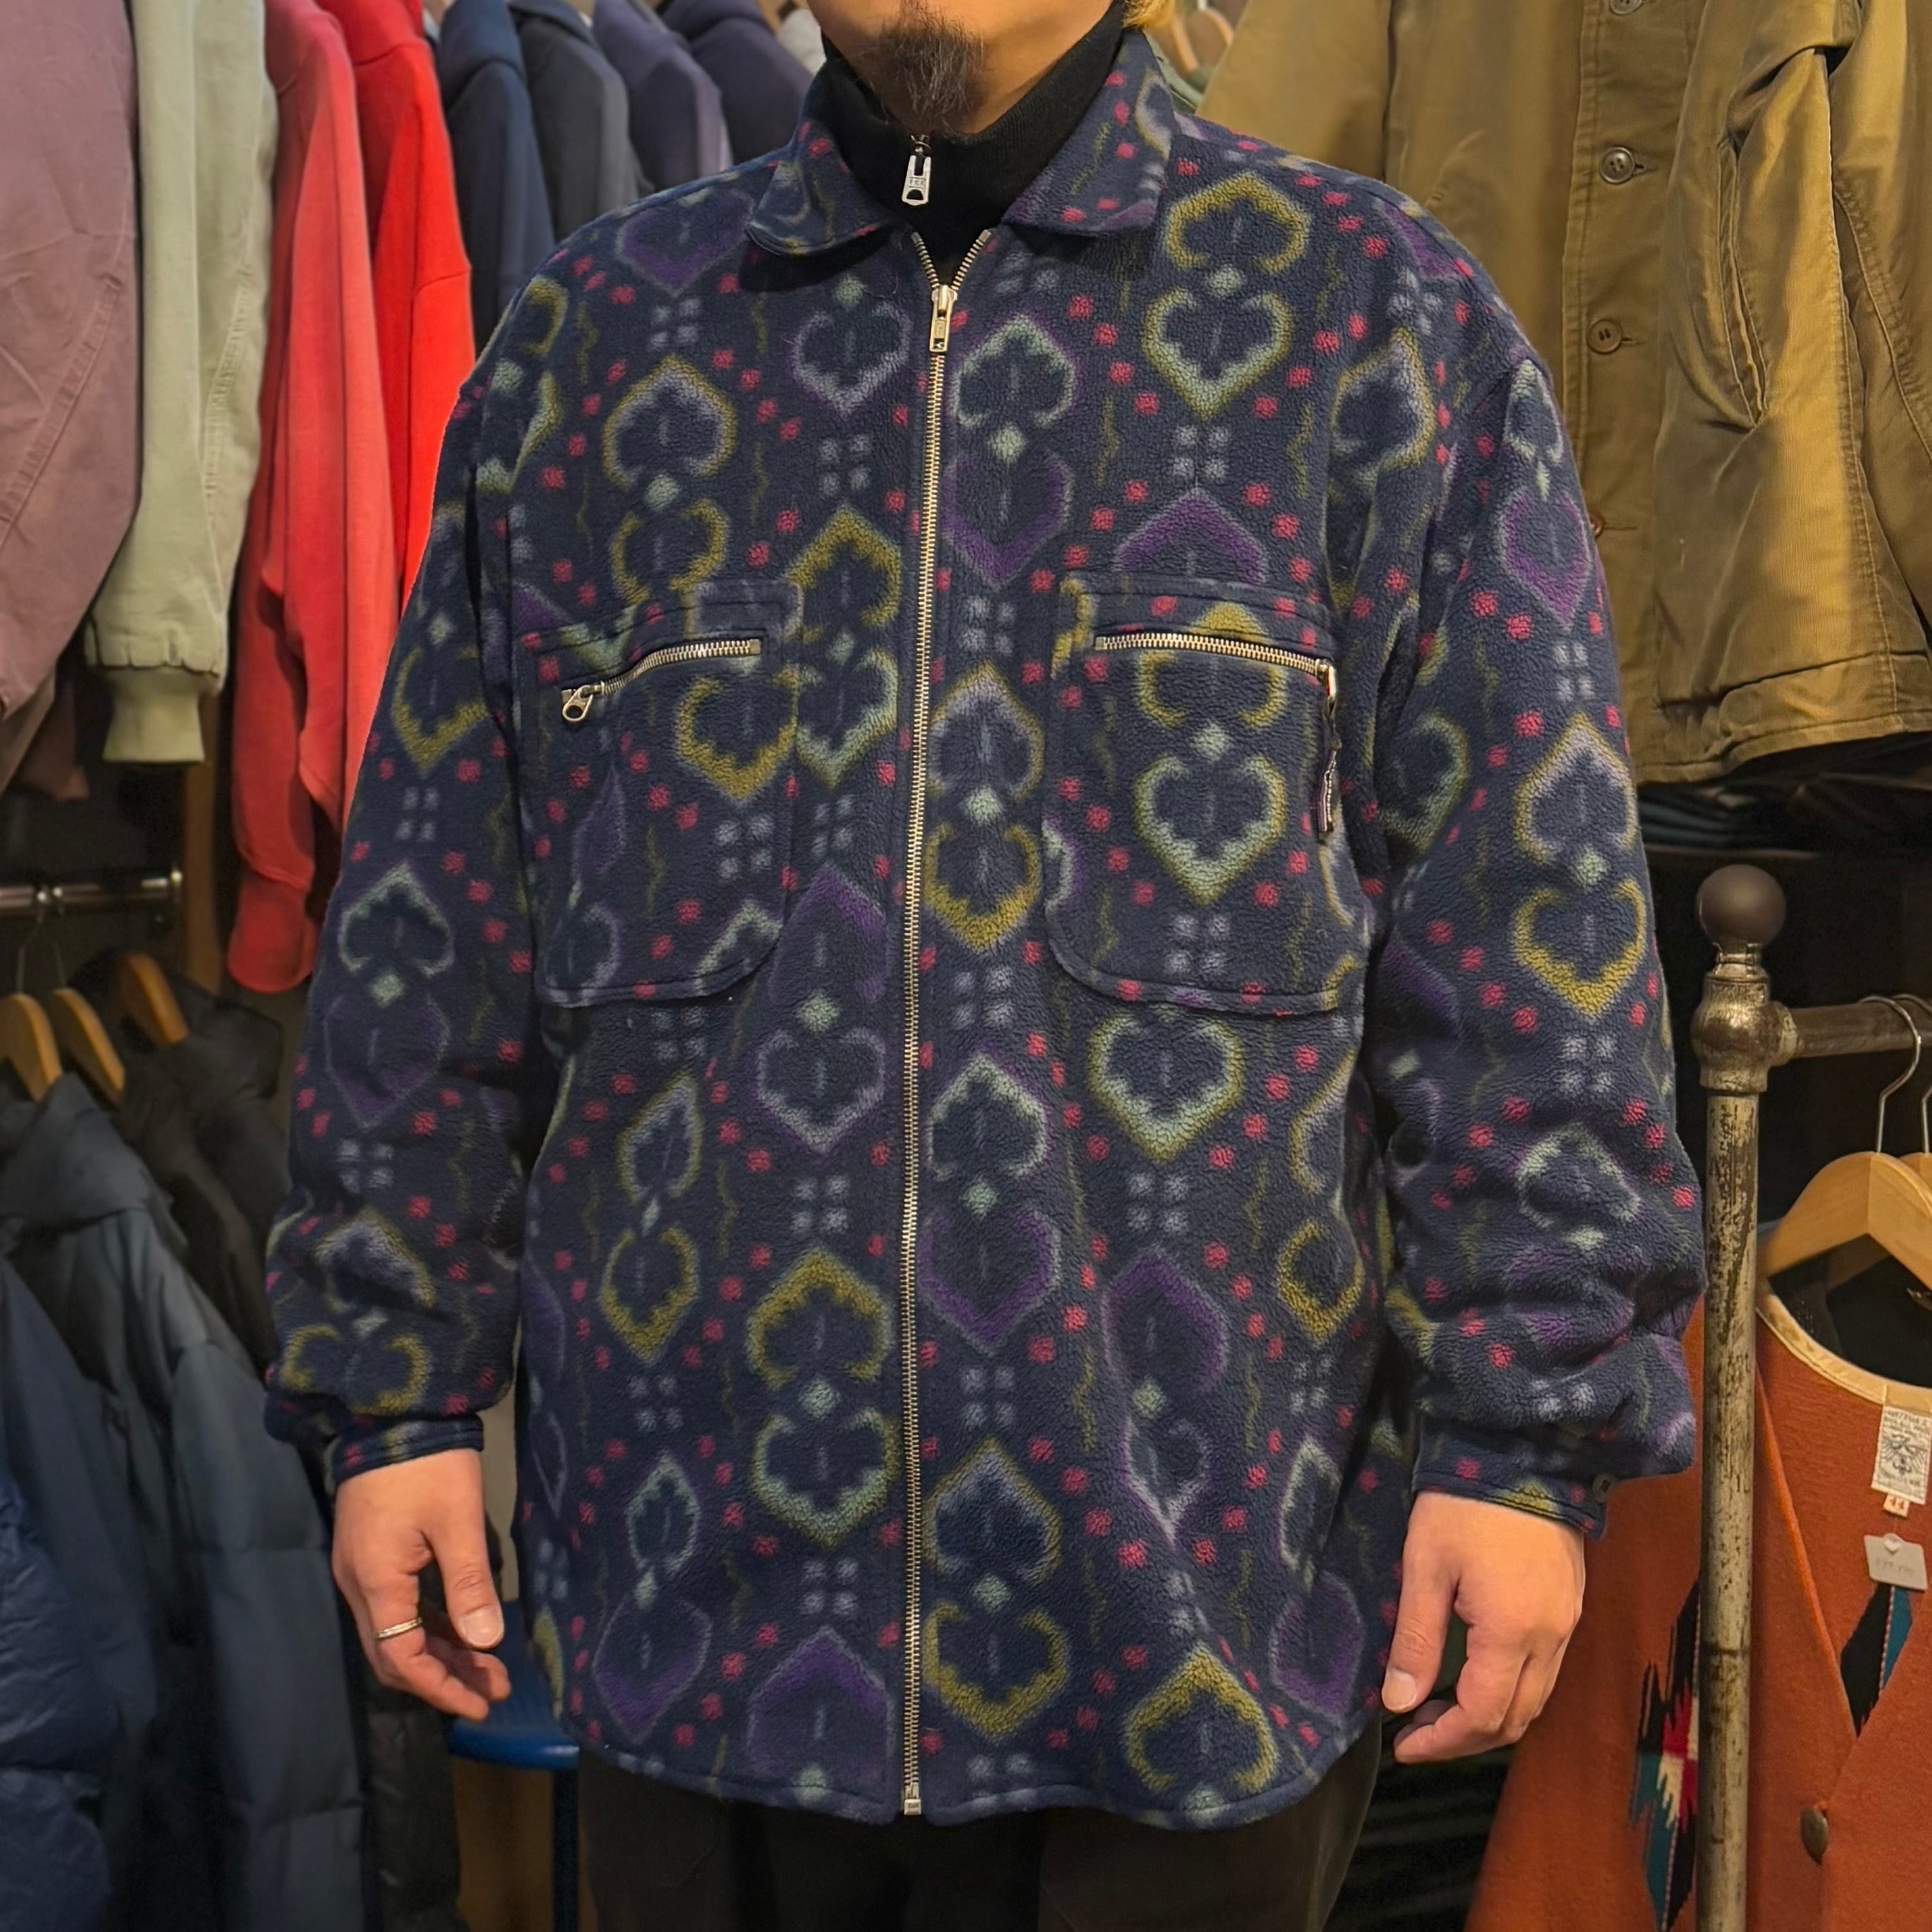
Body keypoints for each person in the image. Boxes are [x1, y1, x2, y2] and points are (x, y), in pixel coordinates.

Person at [263, 0, 1705, 1926]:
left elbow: (1532, 927)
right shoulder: (595, 351)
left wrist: (1526, 1445)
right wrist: (395, 1393)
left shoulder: (1378, 326)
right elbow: (430, 925)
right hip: (697, 1615)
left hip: (1208, 1614)